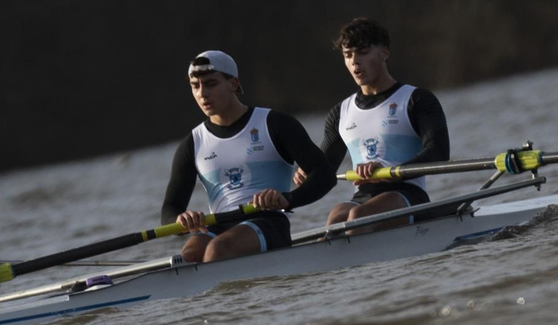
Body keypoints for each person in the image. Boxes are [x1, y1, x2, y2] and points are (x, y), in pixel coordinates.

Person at [160, 51, 337, 263]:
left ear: (233, 84)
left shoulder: (274, 124)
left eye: (211, 84)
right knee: (189, 256)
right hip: (219, 224)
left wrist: (288, 199)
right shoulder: (192, 143)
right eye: (195, 86)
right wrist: (182, 220)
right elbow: (169, 210)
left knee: (218, 250)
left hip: (269, 220)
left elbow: (325, 174)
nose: (202, 93)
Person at [307, 17, 450, 230]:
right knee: (337, 216)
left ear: (384, 52)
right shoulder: (341, 112)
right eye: (348, 55)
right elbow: (324, 172)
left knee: (357, 215)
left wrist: (390, 170)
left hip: (407, 194)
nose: (355, 62)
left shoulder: (416, 99)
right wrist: (307, 173)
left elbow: (438, 154)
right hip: (362, 197)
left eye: (362, 52)